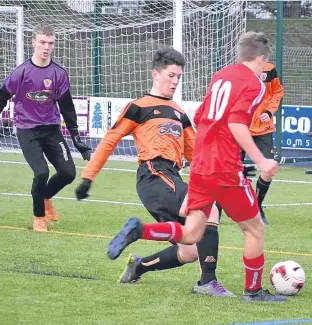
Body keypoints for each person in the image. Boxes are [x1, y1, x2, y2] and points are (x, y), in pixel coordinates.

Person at [106, 32, 288, 302]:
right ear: (261, 59)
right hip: (223, 166)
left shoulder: (220, 76)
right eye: (265, 65)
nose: (264, 70)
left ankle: (140, 231)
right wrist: (261, 161)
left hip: (201, 166)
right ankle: (253, 291)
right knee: (255, 228)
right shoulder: (255, 84)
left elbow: (203, 116)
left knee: (192, 233)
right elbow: (237, 124)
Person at [75, 47, 234, 297]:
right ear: (155, 74)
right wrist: (87, 177)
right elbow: (110, 140)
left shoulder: (179, 112)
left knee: (192, 250)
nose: (175, 81)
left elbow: (195, 153)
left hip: (172, 176)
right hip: (154, 174)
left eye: (178, 77)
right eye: (171, 75)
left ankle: (139, 267)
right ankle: (207, 283)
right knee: (208, 207)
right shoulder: (138, 107)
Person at [0, 24, 91, 232]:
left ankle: (45, 197)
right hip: (27, 130)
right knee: (41, 173)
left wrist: (76, 139)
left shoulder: (59, 74)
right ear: (34, 43)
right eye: (42, 42)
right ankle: (38, 217)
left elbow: (67, 108)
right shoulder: (21, 72)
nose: (46, 47)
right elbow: (2, 96)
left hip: (51, 129)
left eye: (50, 43)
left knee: (68, 173)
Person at [217, 62, 284, 224]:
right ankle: (217, 210)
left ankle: (257, 207)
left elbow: (277, 91)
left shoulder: (269, 69)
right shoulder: (238, 70)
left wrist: (269, 111)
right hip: (240, 127)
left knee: (269, 169)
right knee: (228, 170)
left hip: (263, 129)